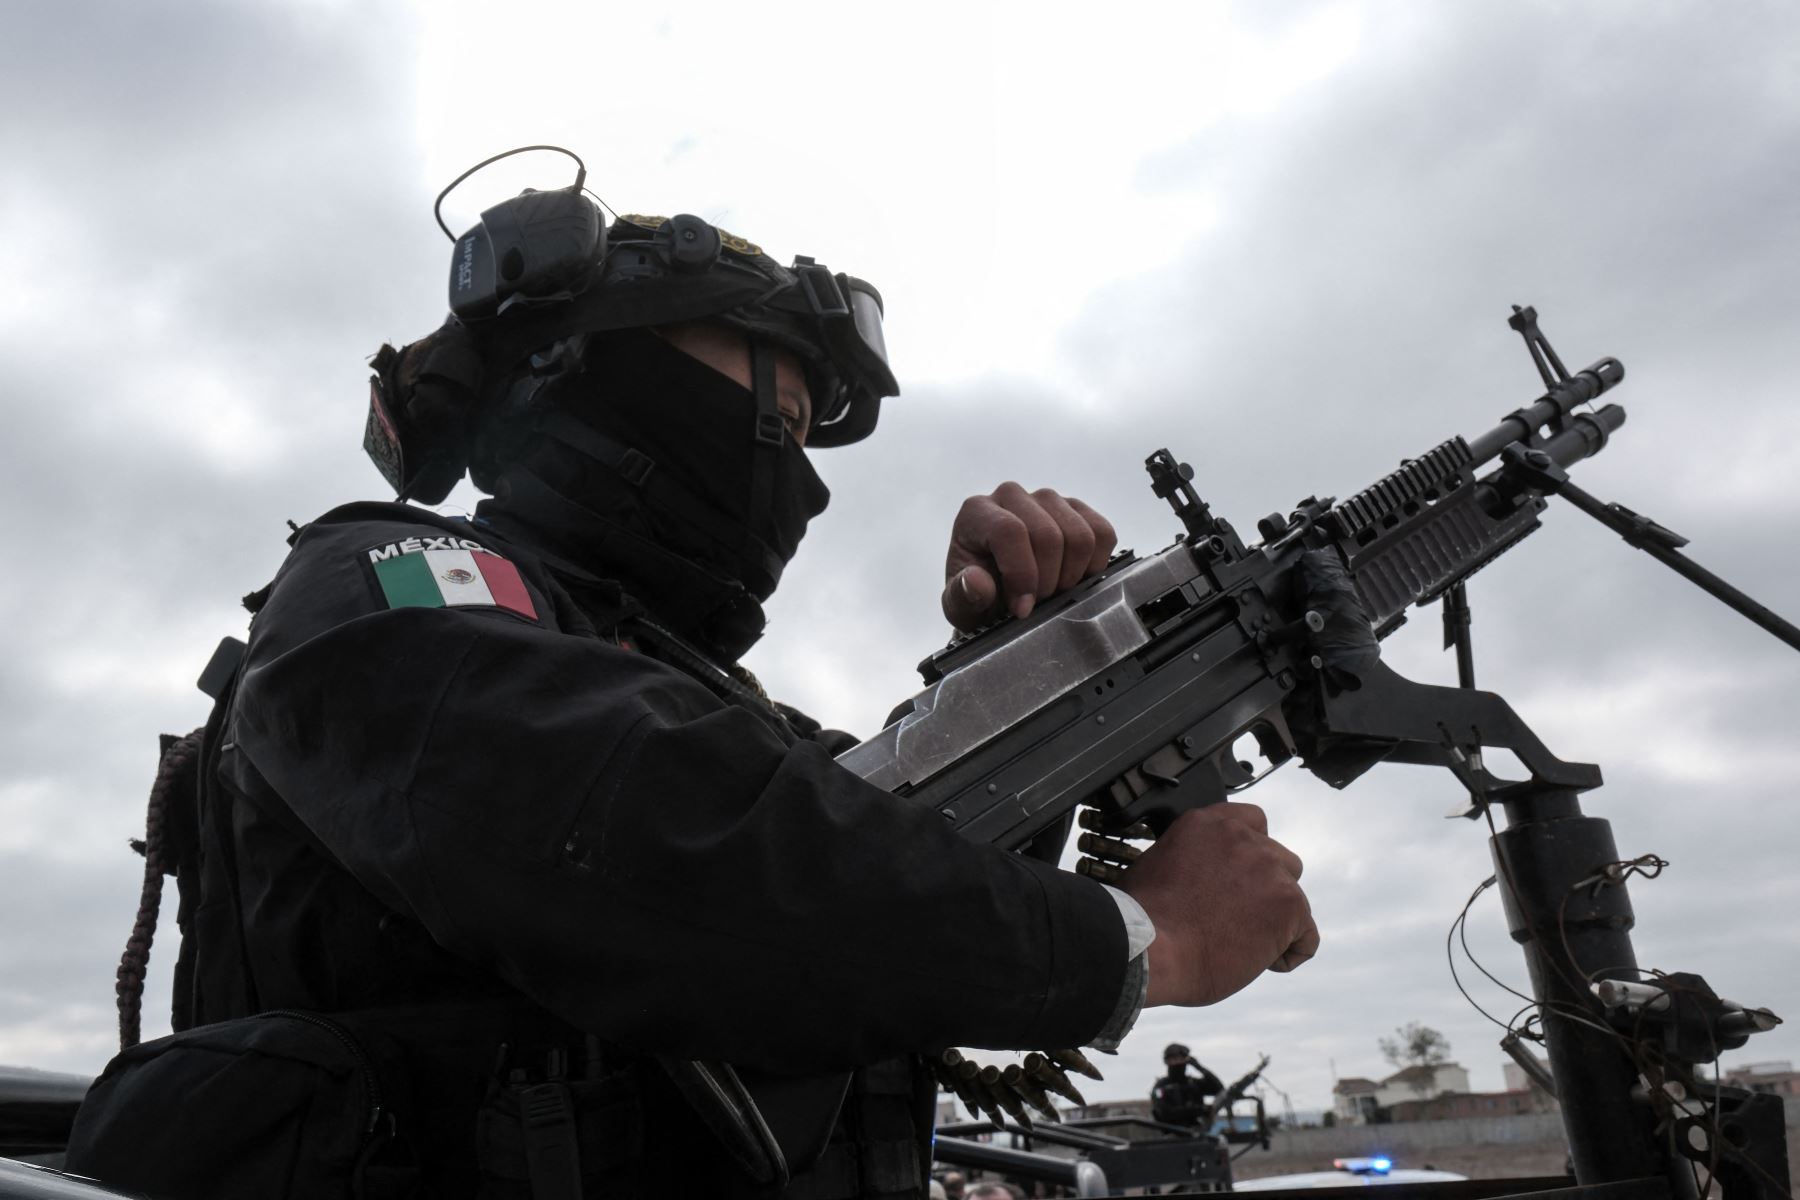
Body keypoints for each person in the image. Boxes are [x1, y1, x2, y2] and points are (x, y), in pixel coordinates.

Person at [70, 164, 1317, 1200]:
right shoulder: (390, 579)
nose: (798, 478)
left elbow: (877, 889)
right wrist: (1141, 939)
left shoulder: (701, 700)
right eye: (769, 410)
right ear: (595, 377)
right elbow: (669, 852)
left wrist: (1028, 667)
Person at [1150, 1042, 1225, 1129]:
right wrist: (1199, 1110)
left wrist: (1199, 1067)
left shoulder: (1193, 1083)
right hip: (1172, 1135)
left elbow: (1219, 1089)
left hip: (1197, 1133)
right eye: (1174, 1059)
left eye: (1182, 1059)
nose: (1178, 1062)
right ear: (1167, 1061)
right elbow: (1164, 1113)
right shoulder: (1161, 1087)